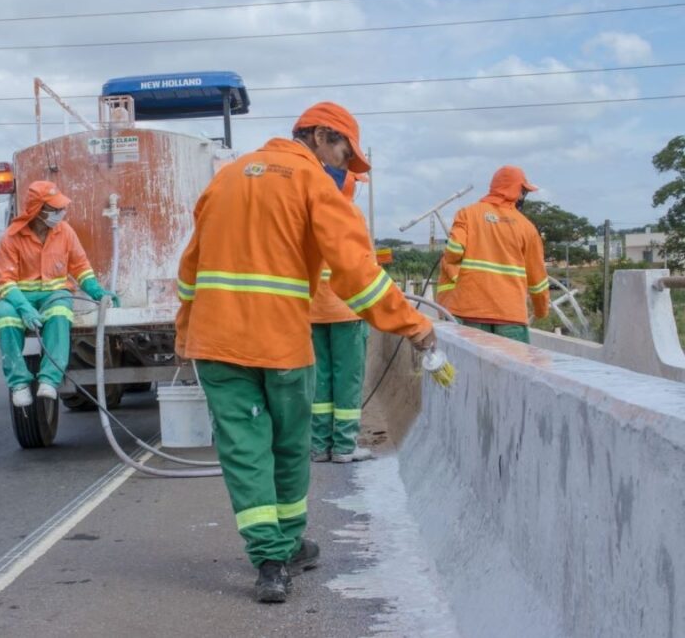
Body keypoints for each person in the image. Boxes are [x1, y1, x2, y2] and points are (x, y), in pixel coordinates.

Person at [175, 102, 436, 603]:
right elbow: (357, 274)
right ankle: (283, 548)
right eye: (344, 151)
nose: (344, 164)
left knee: (243, 449)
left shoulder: (226, 178)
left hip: (216, 340)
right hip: (280, 343)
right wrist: (415, 325)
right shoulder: (313, 183)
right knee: (290, 446)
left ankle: (272, 558)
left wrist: (185, 334)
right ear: (318, 136)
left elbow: (191, 269)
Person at [0, 180, 118, 408]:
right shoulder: (11, 238)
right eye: (54, 208)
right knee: (5, 317)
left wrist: (96, 291)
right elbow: (6, 281)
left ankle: (50, 379)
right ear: (38, 211)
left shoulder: (65, 232)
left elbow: (80, 267)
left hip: (54, 294)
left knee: (60, 313)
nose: (61, 212)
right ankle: (19, 383)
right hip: (19, 297)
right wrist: (23, 308)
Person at [437, 165, 550, 343]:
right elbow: (538, 279)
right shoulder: (527, 228)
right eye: (523, 192)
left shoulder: (467, 214)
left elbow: (453, 252)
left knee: (468, 369)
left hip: (469, 311)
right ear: (518, 191)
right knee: (513, 368)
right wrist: (541, 310)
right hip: (510, 316)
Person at [310, 168, 373, 464]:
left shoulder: (308, 209)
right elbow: (363, 265)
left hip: (312, 310)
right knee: (347, 379)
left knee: (319, 379)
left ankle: (319, 445)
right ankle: (345, 446)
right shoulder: (351, 213)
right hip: (346, 310)